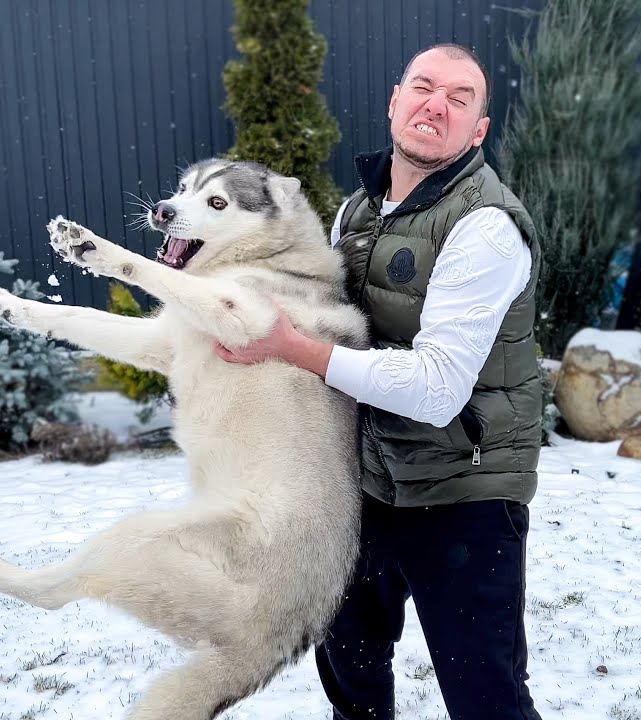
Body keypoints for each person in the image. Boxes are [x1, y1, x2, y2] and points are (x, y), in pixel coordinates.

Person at [217, 43, 542, 720]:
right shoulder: (356, 213)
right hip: (365, 483)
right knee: (351, 673)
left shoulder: (485, 227)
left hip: (465, 493)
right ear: (395, 102)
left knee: (485, 697)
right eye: (424, 87)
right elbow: (324, 327)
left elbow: (435, 389)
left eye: (460, 99)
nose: (437, 105)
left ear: (477, 131)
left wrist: (295, 348)